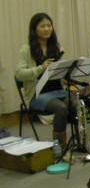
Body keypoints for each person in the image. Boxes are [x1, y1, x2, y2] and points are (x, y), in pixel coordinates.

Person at [15, 13, 71, 150]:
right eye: (42, 26)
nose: (47, 29)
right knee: (61, 108)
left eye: (49, 25)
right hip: (37, 95)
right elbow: (19, 74)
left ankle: (81, 141)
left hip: (58, 91)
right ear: (34, 30)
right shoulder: (26, 50)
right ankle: (59, 147)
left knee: (76, 103)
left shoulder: (56, 47)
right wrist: (41, 68)